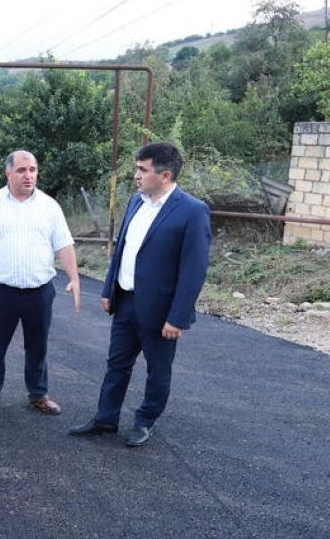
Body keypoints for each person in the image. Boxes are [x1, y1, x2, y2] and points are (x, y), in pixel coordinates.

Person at [69, 142, 211, 447]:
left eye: (142, 170)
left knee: (157, 370)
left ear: (165, 175)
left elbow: (194, 271)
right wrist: (109, 288)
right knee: (116, 364)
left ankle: (145, 421)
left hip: (161, 312)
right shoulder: (136, 202)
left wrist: (177, 317)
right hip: (125, 301)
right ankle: (105, 418)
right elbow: (121, 249)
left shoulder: (192, 211)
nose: (136, 175)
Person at [0, 150, 80, 421]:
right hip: (1, 292)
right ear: (8, 173)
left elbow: (64, 244)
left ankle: (38, 394)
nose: (28, 175)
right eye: (21, 170)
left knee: (38, 346)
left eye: (32, 170)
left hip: (39, 292)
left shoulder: (49, 206)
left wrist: (74, 278)